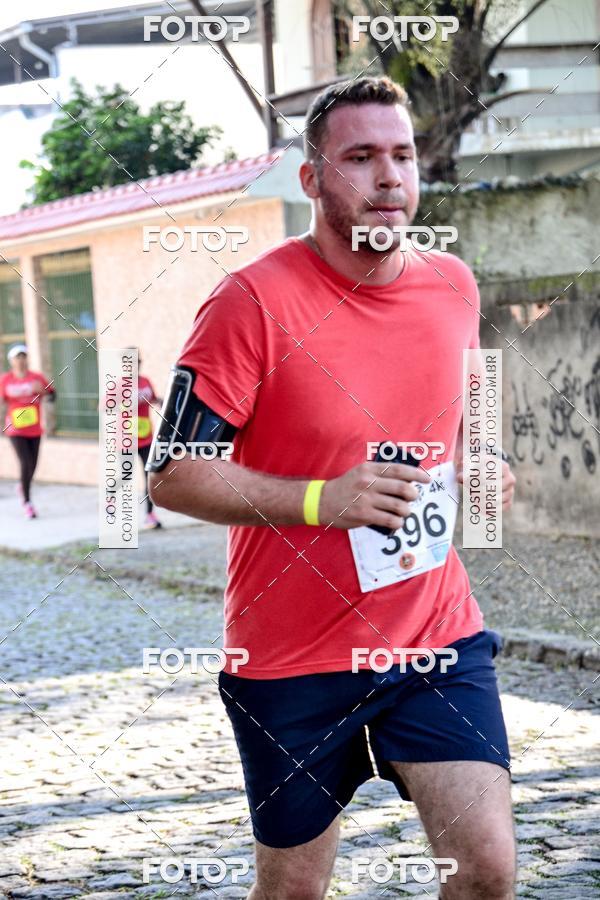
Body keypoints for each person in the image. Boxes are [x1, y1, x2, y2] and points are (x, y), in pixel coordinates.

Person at [148, 76, 518, 899]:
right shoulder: (250, 302)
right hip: (291, 657)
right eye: (360, 158)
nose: (390, 177)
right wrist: (325, 499)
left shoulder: (454, 285)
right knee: (294, 891)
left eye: (402, 155)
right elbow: (170, 471)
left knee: (487, 871)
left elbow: (459, 424)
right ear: (312, 180)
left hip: (434, 638)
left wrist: (480, 467)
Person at [0, 344, 55, 518]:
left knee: (32, 465)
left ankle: (22, 486)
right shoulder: (5, 380)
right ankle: (27, 502)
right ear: (11, 361)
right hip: (15, 428)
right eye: (17, 357)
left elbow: (53, 395)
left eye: (24, 356)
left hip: (34, 428)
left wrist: (45, 393)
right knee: (25, 463)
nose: (21, 360)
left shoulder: (36, 378)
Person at [136, 351, 162, 529]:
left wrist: (160, 401)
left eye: (137, 361)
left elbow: (152, 398)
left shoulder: (145, 381)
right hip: (126, 440)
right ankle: (111, 497)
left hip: (146, 437)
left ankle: (149, 514)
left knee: (150, 475)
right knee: (124, 476)